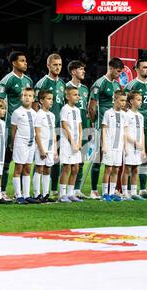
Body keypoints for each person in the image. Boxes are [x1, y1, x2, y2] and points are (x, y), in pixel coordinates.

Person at [0, 51, 33, 201]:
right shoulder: (7, 80)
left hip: (26, 127)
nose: (25, 63)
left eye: (25, 60)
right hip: (10, 125)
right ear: (14, 63)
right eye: (22, 61)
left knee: (24, 162)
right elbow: (0, 103)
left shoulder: (28, 80)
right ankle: (2, 190)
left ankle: (24, 193)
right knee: (6, 159)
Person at [88, 57, 124, 199]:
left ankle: (110, 190)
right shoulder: (100, 83)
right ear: (111, 68)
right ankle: (93, 190)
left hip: (114, 128)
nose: (119, 74)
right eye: (118, 71)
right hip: (101, 126)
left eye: (121, 72)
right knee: (98, 158)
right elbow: (91, 106)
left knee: (112, 162)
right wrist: (94, 124)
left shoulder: (116, 86)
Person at [34, 53, 66, 199]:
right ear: (48, 66)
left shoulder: (62, 84)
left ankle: (52, 190)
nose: (58, 67)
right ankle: (35, 192)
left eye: (59, 65)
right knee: (40, 163)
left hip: (57, 125)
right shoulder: (42, 84)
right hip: (43, 128)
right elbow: (35, 107)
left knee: (54, 160)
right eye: (55, 65)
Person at [124, 59, 147, 198]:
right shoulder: (131, 85)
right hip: (134, 125)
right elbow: (125, 104)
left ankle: (142, 189)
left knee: (146, 156)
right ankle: (129, 190)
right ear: (136, 69)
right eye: (144, 67)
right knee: (131, 159)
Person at [11, 87, 41, 204]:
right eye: (24, 95)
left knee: (28, 168)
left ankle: (27, 194)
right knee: (18, 168)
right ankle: (18, 195)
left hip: (31, 143)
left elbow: (36, 130)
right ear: (21, 97)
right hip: (20, 142)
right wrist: (13, 143)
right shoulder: (17, 112)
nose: (27, 97)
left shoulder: (35, 113)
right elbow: (14, 130)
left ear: (33, 99)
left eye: (29, 96)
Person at [66, 60, 90, 199]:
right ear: (73, 71)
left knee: (81, 160)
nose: (83, 71)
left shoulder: (85, 89)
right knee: (66, 162)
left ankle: (76, 189)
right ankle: (59, 190)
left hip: (83, 127)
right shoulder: (66, 87)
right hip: (70, 129)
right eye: (81, 69)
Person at [100, 90, 128, 202]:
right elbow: (104, 129)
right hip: (109, 145)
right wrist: (104, 145)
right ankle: (104, 193)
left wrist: (125, 146)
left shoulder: (124, 115)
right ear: (114, 100)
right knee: (108, 169)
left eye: (125, 101)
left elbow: (125, 131)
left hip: (119, 146)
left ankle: (112, 193)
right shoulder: (108, 113)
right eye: (121, 100)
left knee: (116, 169)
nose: (123, 103)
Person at [58, 87, 83, 203]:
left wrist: (79, 142)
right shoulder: (65, 109)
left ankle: (70, 193)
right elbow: (64, 126)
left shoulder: (77, 110)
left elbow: (80, 127)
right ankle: (62, 194)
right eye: (74, 95)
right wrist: (72, 142)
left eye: (78, 94)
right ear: (68, 97)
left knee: (75, 168)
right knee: (67, 168)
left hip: (75, 144)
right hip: (67, 143)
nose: (77, 96)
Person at [33, 90, 58, 203]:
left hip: (50, 147)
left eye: (52, 99)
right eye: (48, 99)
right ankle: (37, 193)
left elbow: (53, 132)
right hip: (41, 147)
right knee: (39, 169)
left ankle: (46, 193)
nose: (51, 101)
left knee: (48, 169)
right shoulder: (39, 115)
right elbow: (37, 133)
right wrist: (41, 149)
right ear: (41, 101)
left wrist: (55, 149)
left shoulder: (52, 115)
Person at [121, 91, 145, 201]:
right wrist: (135, 143)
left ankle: (134, 192)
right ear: (131, 101)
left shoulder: (140, 116)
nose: (140, 102)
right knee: (127, 169)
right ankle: (125, 192)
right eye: (138, 100)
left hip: (139, 147)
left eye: (141, 100)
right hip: (129, 146)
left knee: (136, 169)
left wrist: (143, 149)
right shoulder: (126, 115)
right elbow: (125, 133)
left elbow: (142, 133)